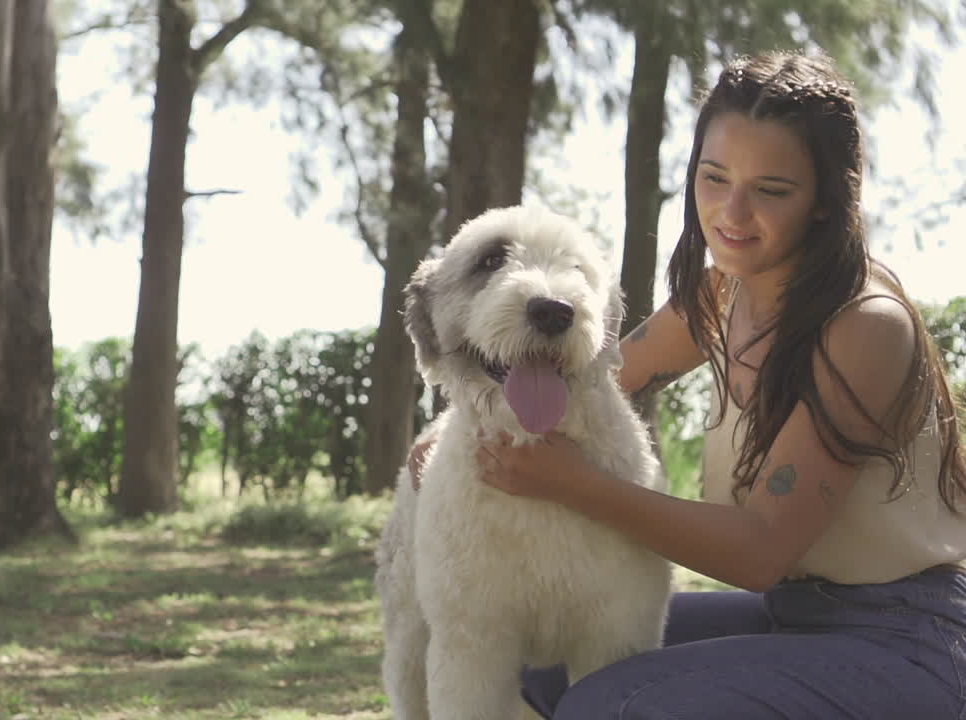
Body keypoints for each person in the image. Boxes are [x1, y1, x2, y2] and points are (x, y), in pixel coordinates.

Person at [407, 50, 966, 718]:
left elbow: (760, 552)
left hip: (909, 639)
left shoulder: (865, 325)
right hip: (791, 614)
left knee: (610, 704)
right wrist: (463, 424)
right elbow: (598, 371)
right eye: (714, 177)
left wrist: (575, 484)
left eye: (771, 190)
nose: (732, 212)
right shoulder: (721, 295)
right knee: (541, 669)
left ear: (825, 201)